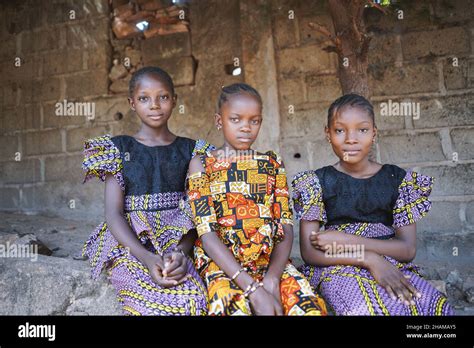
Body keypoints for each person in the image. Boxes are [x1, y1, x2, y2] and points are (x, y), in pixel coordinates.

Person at [292, 93, 454, 315]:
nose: (351, 139)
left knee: (433, 307)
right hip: (338, 265)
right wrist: (368, 258)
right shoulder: (316, 183)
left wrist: (349, 241)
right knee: (365, 310)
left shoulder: (397, 180)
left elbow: (407, 249)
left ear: (374, 133)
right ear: (327, 134)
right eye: (340, 130)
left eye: (363, 130)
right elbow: (310, 253)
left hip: (391, 265)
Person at [81, 66, 214, 315]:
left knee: (194, 299)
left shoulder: (193, 151)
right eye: (144, 98)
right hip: (130, 243)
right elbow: (113, 214)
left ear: (174, 100)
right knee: (147, 304)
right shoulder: (118, 150)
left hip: (179, 241)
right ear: (132, 103)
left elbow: (197, 212)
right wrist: (146, 257)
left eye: (163, 97)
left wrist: (180, 253)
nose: (154, 105)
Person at [185, 83, 327, 315]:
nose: (246, 127)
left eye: (254, 120)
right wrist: (252, 289)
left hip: (268, 261)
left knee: (307, 307)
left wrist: (272, 278)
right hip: (222, 264)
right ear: (219, 121)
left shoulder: (272, 164)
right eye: (236, 119)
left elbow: (285, 228)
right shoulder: (201, 165)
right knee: (233, 308)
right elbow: (207, 235)